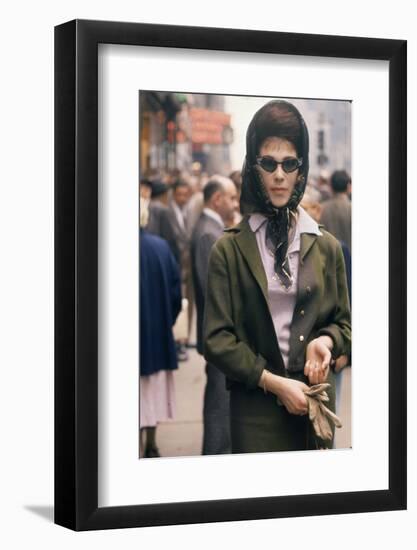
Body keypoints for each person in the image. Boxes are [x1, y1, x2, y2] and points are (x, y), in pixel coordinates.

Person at [203, 100, 351, 453]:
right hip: (254, 411)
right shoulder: (228, 248)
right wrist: (274, 383)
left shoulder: (326, 246)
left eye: (290, 164)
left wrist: (325, 343)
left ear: (302, 169)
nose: (280, 175)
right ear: (254, 167)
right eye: (268, 163)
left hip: (316, 404)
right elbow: (216, 339)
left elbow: (344, 324)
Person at [191, 175, 239, 455]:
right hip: (220, 338)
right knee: (220, 407)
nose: (234, 203)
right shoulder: (210, 232)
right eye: (231, 197)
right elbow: (216, 293)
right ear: (217, 199)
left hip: (218, 337)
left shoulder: (211, 228)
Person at [139, 198, 182, 458]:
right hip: (156, 334)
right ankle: (151, 444)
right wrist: (168, 320)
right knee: (152, 394)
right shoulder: (161, 247)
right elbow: (175, 293)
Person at [320, 170, 352, 253]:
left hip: (329, 260)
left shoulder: (322, 209)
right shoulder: (351, 208)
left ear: (330, 187)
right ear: (348, 187)